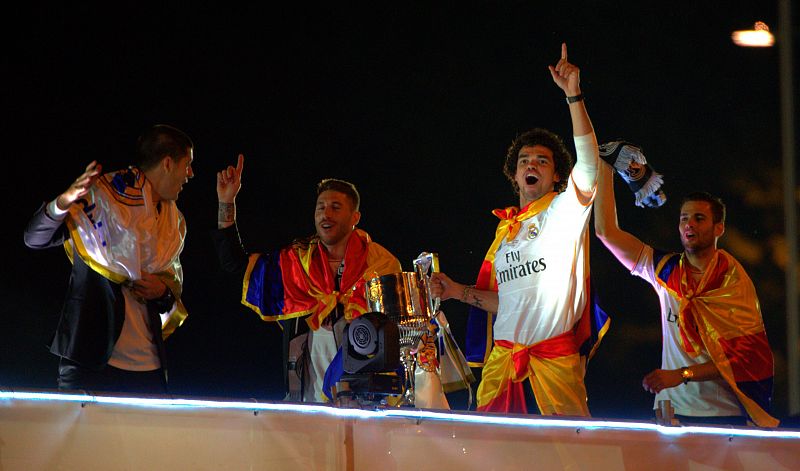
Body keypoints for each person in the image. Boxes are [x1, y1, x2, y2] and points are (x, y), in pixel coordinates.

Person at [430, 43, 607, 416]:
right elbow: (509, 304)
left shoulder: (563, 211)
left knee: (564, 459)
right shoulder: (505, 234)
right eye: (525, 160)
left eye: (543, 161)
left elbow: (590, 163)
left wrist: (574, 96)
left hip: (553, 364)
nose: (532, 164)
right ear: (514, 175)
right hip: (502, 366)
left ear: (557, 174)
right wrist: (455, 291)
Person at [593, 160, 778, 427]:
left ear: (719, 229)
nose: (689, 224)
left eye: (699, 218)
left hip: (722, 415)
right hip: (671, 412)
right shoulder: (666, 272)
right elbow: (606, 232)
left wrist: (683, 374)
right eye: (684, 218)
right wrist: (605, 168)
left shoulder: (732, 284)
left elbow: (742, 358)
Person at [212, 155, 401, 402]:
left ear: (355, 218)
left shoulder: (381, 263)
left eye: (336, 207)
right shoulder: (297, 263)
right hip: (307, 399)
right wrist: (227, 202)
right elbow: (235, 264)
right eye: (320, 207)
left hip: (367, 400)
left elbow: (401, 330)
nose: (326, 214)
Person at [23, 124, 195, 394]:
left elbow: (170, 289)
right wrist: (64, 201)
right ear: (168, 164)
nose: (190, 174)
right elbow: (34, 239)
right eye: (188, 165)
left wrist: (162, 290)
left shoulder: (174, 223)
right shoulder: (102, 201)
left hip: (147, 367)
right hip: (90, 362)